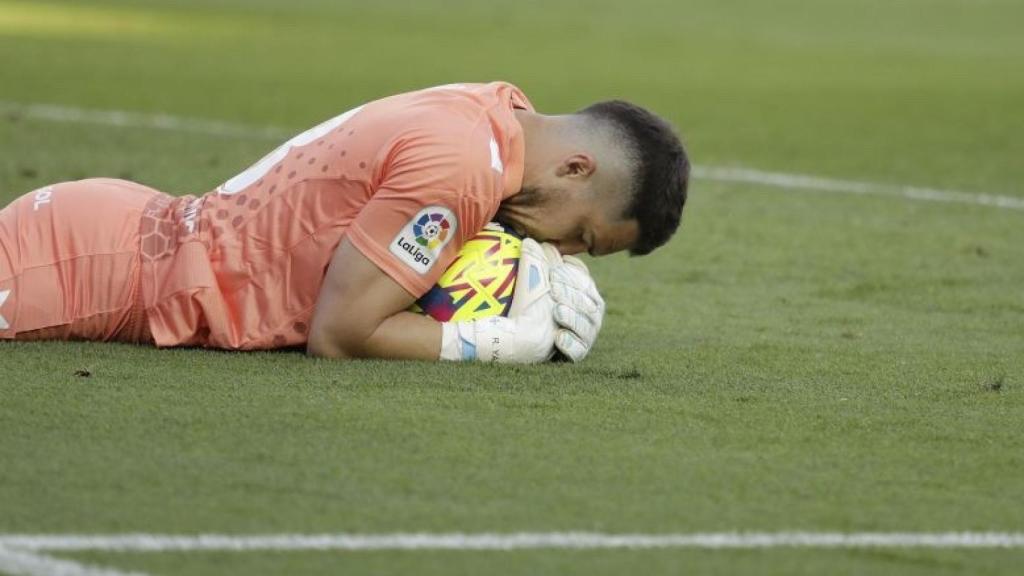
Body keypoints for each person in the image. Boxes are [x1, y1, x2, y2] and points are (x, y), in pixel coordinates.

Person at [0, 82, 689, 363]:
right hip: (92, 272)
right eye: (583, 236)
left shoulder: (494, 109)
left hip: (117, 227)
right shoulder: (461, 170)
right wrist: (498, 342)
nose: (559, 248)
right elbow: (340, 333)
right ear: (575, 169)